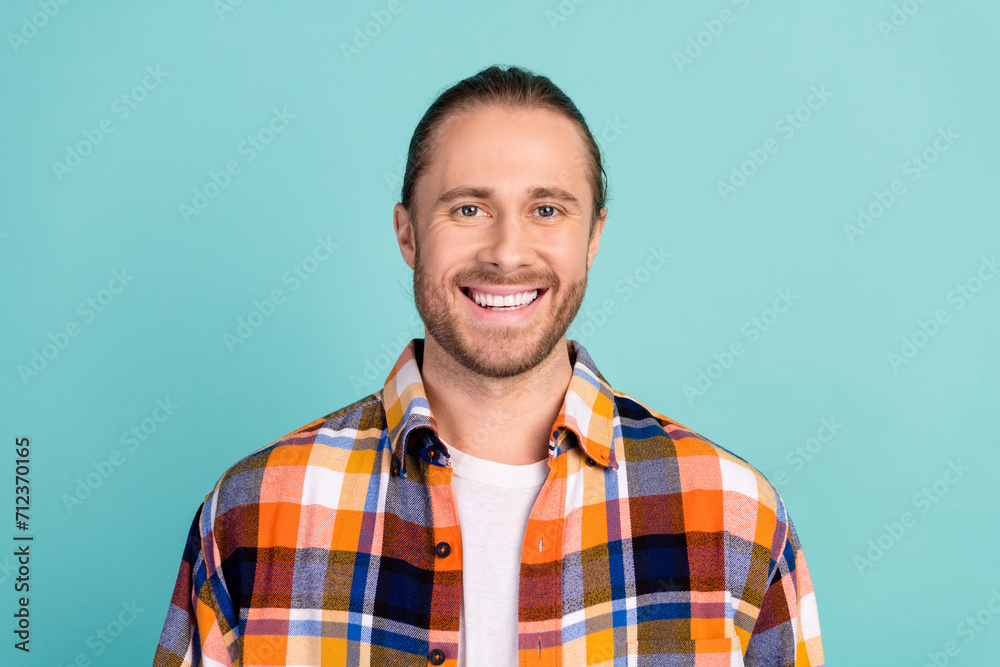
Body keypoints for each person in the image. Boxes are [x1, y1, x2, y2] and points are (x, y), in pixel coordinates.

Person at [153, 64, 824, 667]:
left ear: (593, 238)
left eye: (546, 209)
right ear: (407, 233)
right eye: (469, 208)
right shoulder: (254, 510)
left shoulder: (736, 516)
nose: (507, 251)